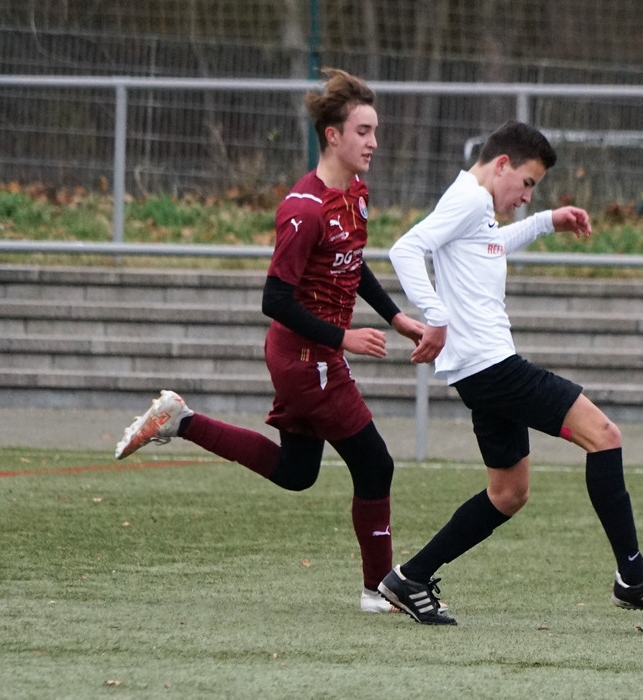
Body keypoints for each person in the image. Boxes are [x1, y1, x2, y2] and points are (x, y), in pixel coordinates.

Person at [114, 68, 426, 614]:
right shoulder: (303, 209)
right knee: (376, 465)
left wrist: (395, 317)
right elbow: (275, 299)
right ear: (332, 135)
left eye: (375, 130)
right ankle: (379, 588)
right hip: (306, 359)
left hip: (315, 354)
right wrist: (345, 337)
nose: (374, 142)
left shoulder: (355, 194)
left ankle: (181, 421)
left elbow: (351, 263)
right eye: (363, 131)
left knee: (296, 473)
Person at [377, 121, 643, 625]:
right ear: (502, 164)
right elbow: (405, 249)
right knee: (604, 436)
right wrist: (435, 317)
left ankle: (410, 578)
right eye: (528, 183)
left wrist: (548, 221)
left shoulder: (474, 204)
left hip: (482, 372)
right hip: (494, 368)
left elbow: (490, 247)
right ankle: (633, 577)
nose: (527, 196)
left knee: (509, 494)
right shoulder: (470, 199)